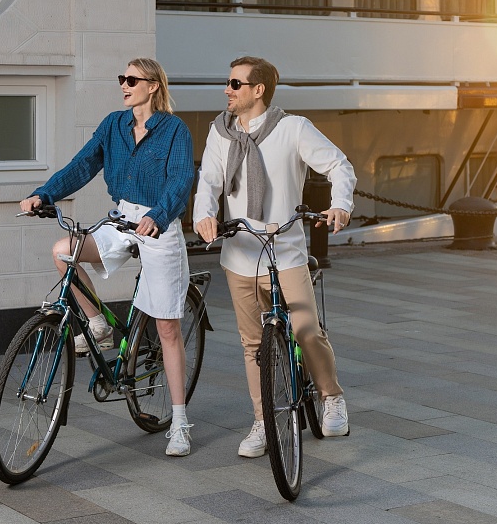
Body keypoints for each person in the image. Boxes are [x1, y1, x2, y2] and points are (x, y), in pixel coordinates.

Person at [20, 57, 196, 456]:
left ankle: (180, 423)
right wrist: (44, 194)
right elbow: (82, 165)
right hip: (121, 219)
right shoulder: (114, 125)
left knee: (167, 329)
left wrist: (158, 215)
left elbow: (181, 178)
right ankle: (98, 325)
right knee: (64, 252)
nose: (124, 85)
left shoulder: (174, 130)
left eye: (132, 79)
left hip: (159, 224)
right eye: (122, 78)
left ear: (153, 85)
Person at [193, 55, 355, 458]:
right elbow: (209, 181)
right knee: (253, 345)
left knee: (306, 329)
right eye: (228, 83)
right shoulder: (220, 133)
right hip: (239, 254)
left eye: (235, 84)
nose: (227, 90)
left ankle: (331, 396)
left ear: (258, 89)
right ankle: (263, 421)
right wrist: (204, 215)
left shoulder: (292, 128)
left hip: (286, 252)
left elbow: (339, 165)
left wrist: (340, 205)